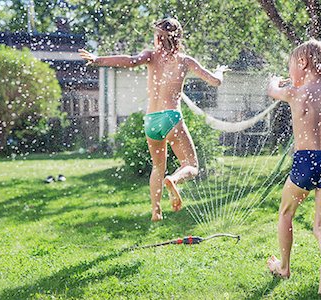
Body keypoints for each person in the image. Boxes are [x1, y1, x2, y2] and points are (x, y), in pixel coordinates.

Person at [79, 18, 228, 222]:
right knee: (191, 165)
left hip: (151, 121)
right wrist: (220, 70)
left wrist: (98, 59)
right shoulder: (185, 60)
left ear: (158, 36)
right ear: (178, 37)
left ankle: (156, 211)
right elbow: (215, 81)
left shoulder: (150, 56)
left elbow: (130, 61)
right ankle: (174, 179)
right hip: (171, 117)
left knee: (157, 166)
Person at [266, 39, 321, 298]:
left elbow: (272, 89)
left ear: (303, 63)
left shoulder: (294, 93)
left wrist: (278, 81)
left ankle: (284, 267)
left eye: (291, 67)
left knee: (286, 213)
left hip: (305, 160)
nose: (290, 74)